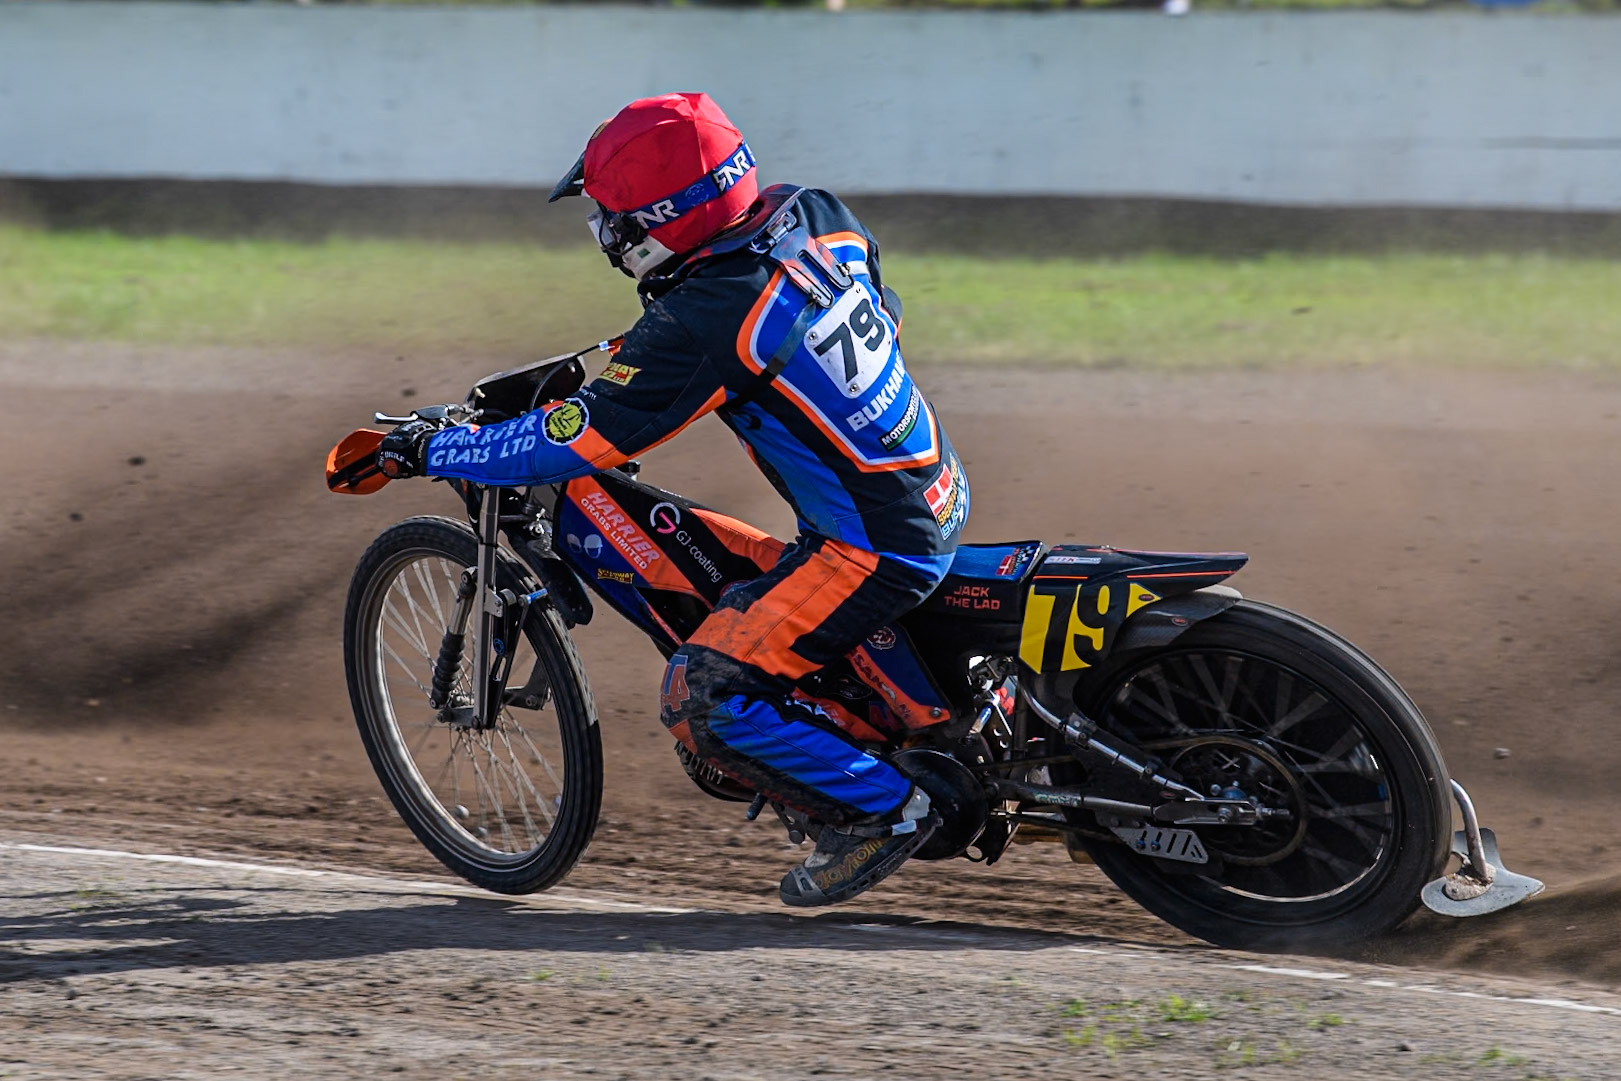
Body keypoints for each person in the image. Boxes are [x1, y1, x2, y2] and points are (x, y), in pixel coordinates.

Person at [376, 92, 969, 907]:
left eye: (609, 217)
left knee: (701, 691)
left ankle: (890, 812)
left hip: (871, 547)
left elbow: (581, 438)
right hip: (930, 490)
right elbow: (868, 311)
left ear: (655, 223)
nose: (606, 236)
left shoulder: (706, 314)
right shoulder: (814, 215)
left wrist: (437, 447)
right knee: (725, 578)